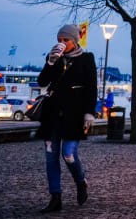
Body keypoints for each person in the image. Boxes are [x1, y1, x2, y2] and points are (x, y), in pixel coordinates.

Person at [36, 23, 98, 214]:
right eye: (59, 40)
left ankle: (81, 181)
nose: (62, 43)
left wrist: (89, 112)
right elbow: (42, 82)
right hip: (52, 113)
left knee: (69, 153)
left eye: (66, 40)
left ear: (75, 40)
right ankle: (55, 197)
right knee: (50, 157)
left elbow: (91, 87)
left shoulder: (87, 59)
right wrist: (51, 62)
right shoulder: (53, 57)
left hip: (74, 114)